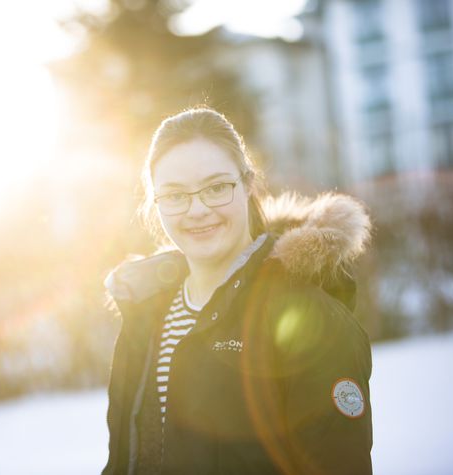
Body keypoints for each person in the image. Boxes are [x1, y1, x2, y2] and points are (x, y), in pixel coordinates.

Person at [101, 107, 373, 475]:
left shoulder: (311, 319)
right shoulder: (145, 317)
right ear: (156, 203)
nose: (197, 210)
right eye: (175, 195)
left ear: (247, 184)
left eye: (216, 187)